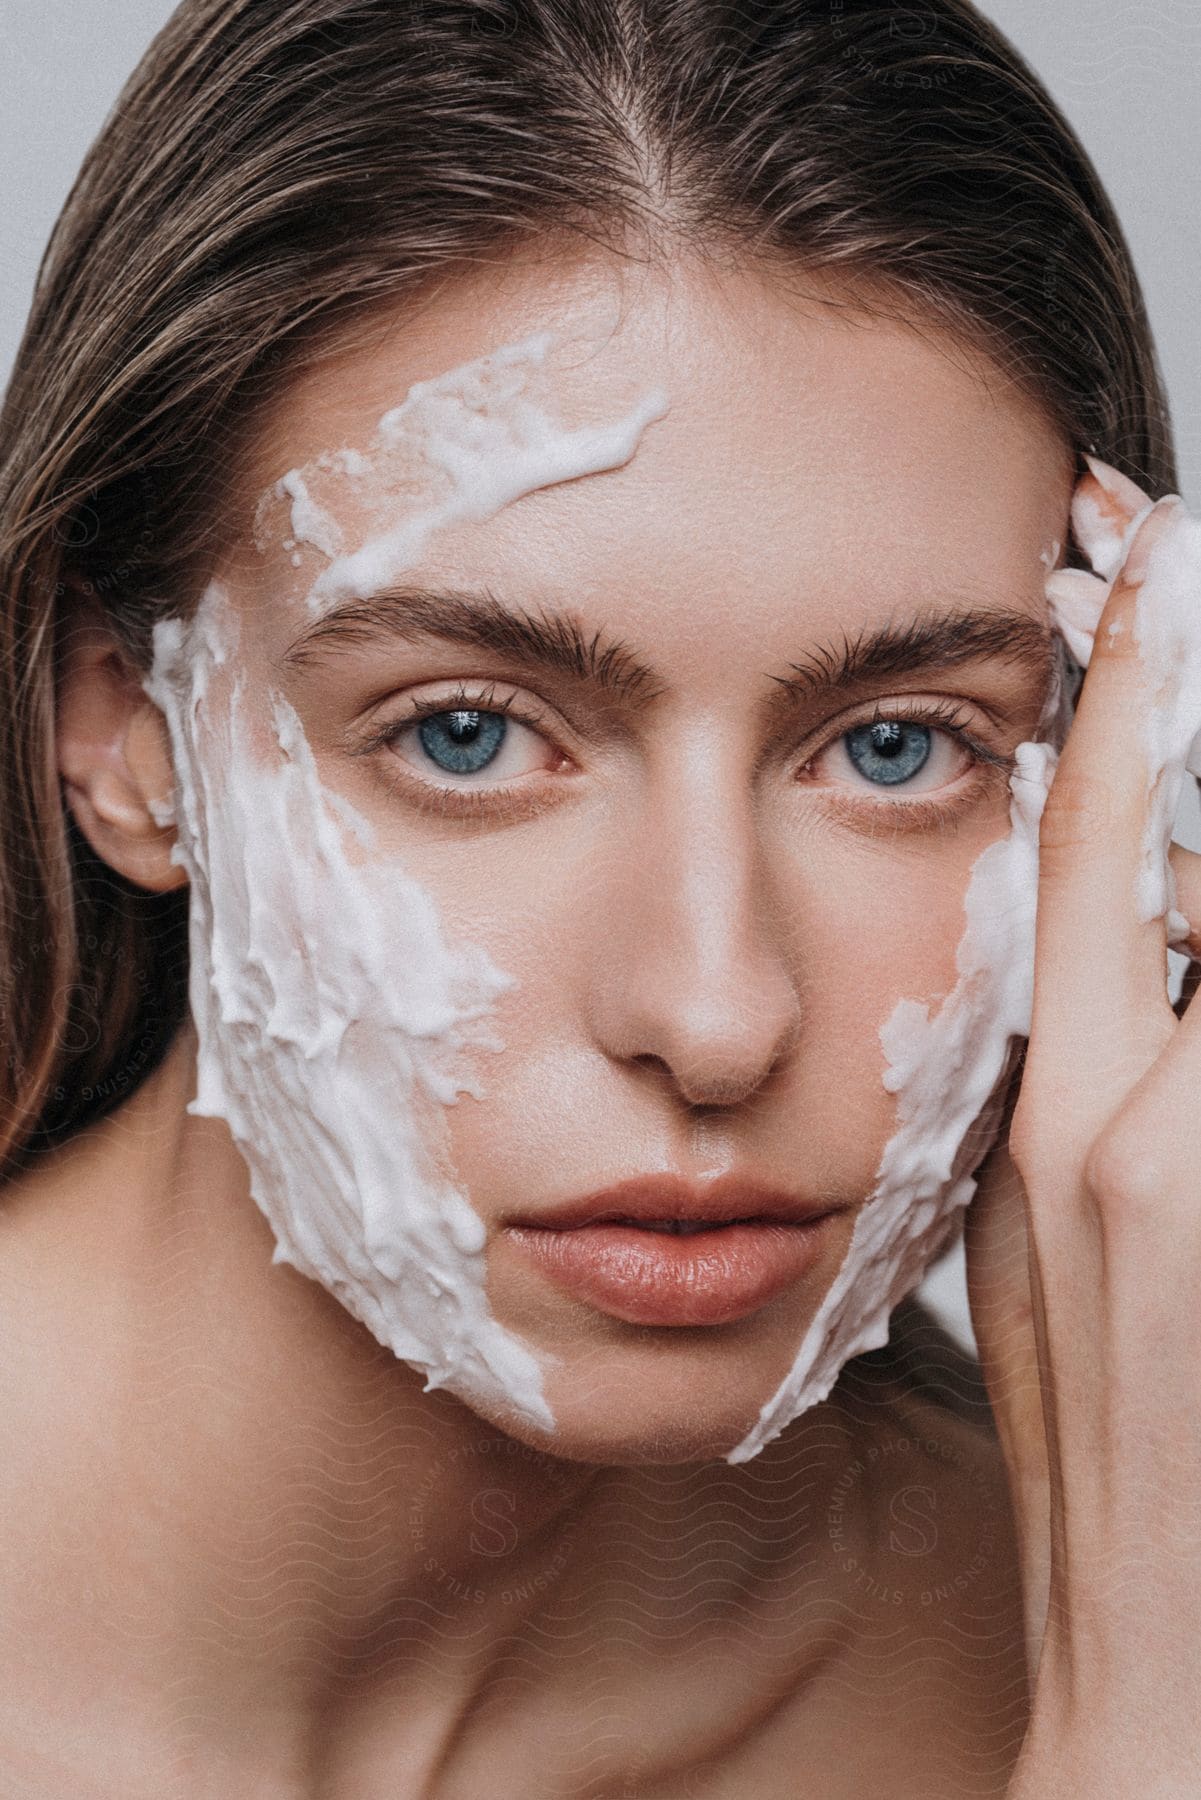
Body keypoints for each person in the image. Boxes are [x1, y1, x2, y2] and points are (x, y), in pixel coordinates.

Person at [0, 2, 1194, 1795]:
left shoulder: (1119, 1635)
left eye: (894, 750)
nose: (713, 1017)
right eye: (468, 735)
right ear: (122, 731)